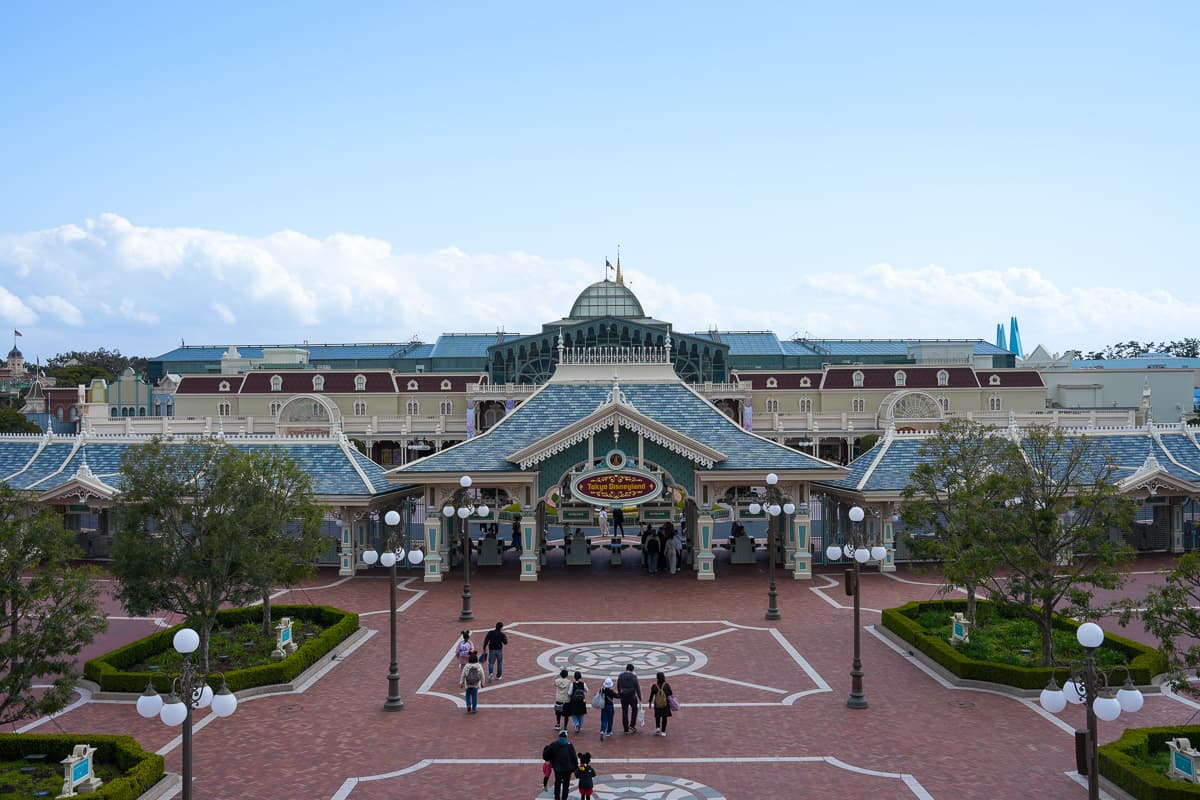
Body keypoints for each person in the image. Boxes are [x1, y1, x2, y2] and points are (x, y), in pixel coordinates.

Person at [542, 729, 578, 800]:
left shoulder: (553, 744)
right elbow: (574, 757)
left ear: (559, 736)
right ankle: (564, 798)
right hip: (568, 769)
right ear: (566, 736)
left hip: (558, 768)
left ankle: (557, 798)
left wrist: (547, 758)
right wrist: (575, 768)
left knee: (557, 783)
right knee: (566, 784)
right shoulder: (570, 745)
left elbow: (546, 755)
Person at [616, 663, 641, 734]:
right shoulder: (633, 676)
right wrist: (639, 697)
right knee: (634, 709)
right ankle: (632, 725)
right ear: (632, 670)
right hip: (632, 696)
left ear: (626, 669)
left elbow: (618, 686)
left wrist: (620, 694)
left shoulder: (621, 676)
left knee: (624, 711)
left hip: (623, 696)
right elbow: (637, 687)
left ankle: (625, 728)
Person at [648, 671, 674, 736]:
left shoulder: (654, 686)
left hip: (657, 704)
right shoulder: (666, 685)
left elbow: (651, 695)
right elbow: (670, 693)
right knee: (664, 717)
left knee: (657, 716)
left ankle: (657, 728)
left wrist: (650, 702)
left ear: (657, 678)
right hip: (665, 704)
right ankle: (663, 731)